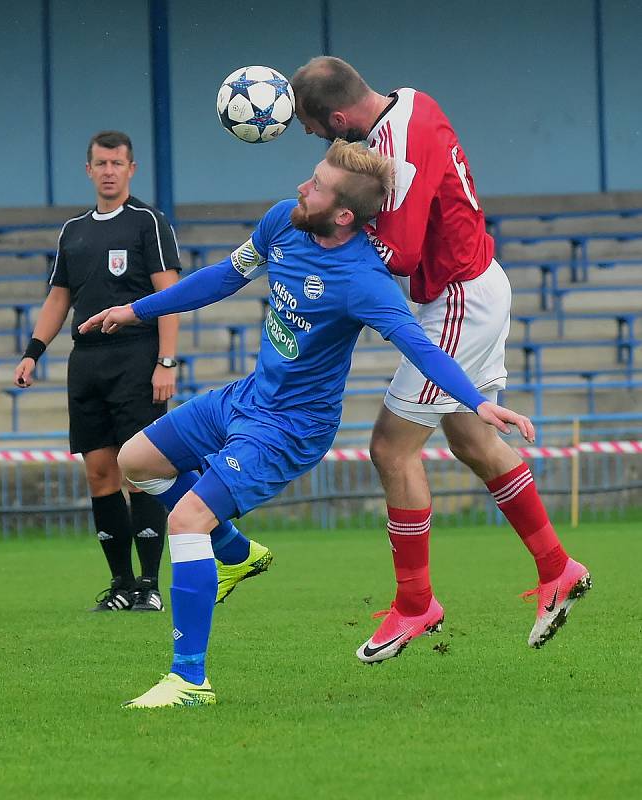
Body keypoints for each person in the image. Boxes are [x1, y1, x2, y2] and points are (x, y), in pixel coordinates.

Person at [78, 140, 534, 708]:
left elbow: (422, 346)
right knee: (134, 462)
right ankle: (235, 553)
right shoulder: (282, 221)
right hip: (246, 397)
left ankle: (189, 680)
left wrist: (476, 402)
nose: (302, 188)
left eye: (316, 185)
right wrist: (137, 309)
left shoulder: (364, 279)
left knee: (187, 521)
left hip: (292, 426)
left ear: (344, 214)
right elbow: (225, 275)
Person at [290, 57, 591, 659]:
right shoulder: (411, 102)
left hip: (456, 297)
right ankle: (558, 568)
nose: (316, 138)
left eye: (316, 127)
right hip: (472, 282)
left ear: (341, 116)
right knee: (472, 441)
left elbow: (399, 253)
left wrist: (326, 232)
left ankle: (414, 604)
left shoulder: (396, 140)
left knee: (389, 448)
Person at [13, 130, 181, 612]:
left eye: (118, 163)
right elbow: (59, 297)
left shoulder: (148, 222)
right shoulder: (74, 231)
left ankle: (149, 585)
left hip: (136, 357)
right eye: (101, 164)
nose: (109, 171)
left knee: (142, 471)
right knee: (100, 474)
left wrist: (166, 361)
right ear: (88, 170)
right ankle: (121, 586)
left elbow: (168, 296)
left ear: (132, 169)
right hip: (85, 363)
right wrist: (33, 351)